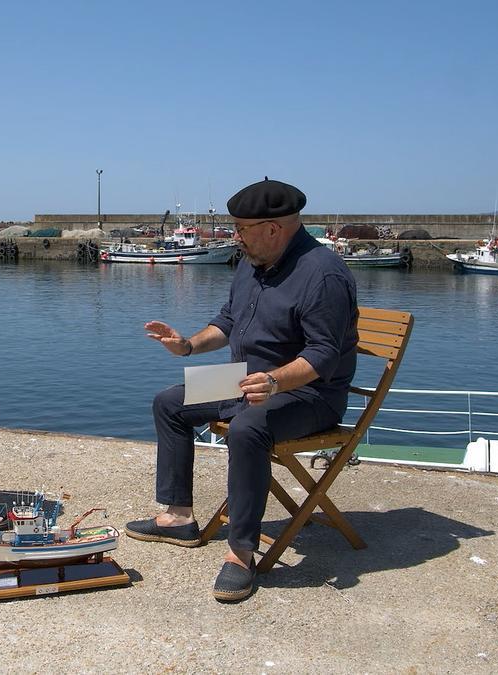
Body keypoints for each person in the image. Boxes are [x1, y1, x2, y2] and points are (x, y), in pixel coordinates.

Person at [125, 178, 358, 602]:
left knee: (250, 428)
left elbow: (323, 355)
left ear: (273, 229)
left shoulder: (323, 274)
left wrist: (274, 381)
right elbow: (228, 321)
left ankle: (240, 552)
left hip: (309, 394)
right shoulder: (253, 261)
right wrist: (189, 345)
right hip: (248, 379)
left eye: (242, 229)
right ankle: (179, 517)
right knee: (170, 403)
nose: (236, 237)